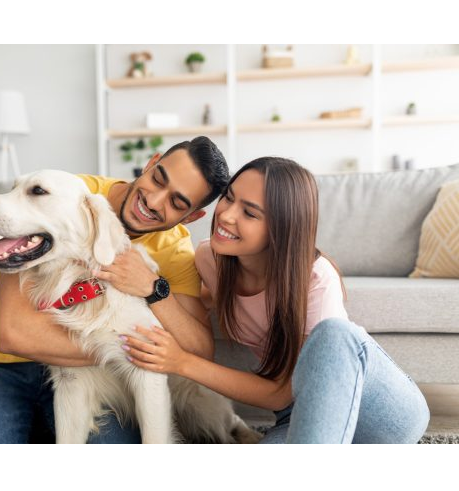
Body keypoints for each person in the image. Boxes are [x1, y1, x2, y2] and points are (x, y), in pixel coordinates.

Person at [122, 156, 430, 444]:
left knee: (335, 334)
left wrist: (182, 361)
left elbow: (281, 392)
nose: (226, 215)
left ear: (281, 228)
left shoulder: (317, 279)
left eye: (250, 212)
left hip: (377, 415)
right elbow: (191, 307)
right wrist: (147, 285)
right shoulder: (211, 259)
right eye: (229, 197)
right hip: (296, 417)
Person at [0, 136, 230, 444]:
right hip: (6, 365)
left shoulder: (174, 248)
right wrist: (132, 352)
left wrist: (152, 287)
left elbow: (199, 350)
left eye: (177, 203)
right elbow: (12, 335)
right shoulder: (67, 192)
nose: (154, 200)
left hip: (97, 376)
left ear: (190, 217)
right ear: (151, 163)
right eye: (158, 178)